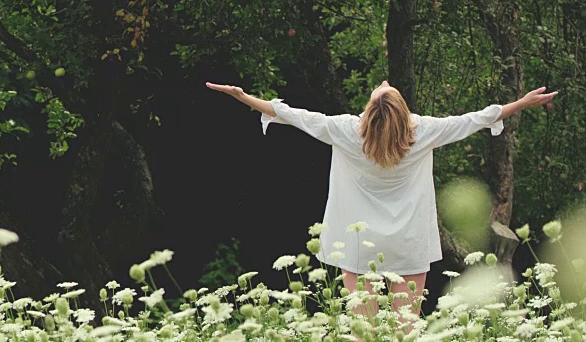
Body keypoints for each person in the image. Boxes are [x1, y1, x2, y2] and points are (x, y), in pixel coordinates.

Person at [205, 81, 558, 320]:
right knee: (407, 327)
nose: (386, 83)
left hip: (359, 243)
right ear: (403, 110)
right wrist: (522, 103)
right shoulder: (420, 131)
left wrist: (245, 97)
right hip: (409, 242)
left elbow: (295, 116)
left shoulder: (348, 131)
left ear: (370, 111)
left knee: (363, 330)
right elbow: (474, 120)